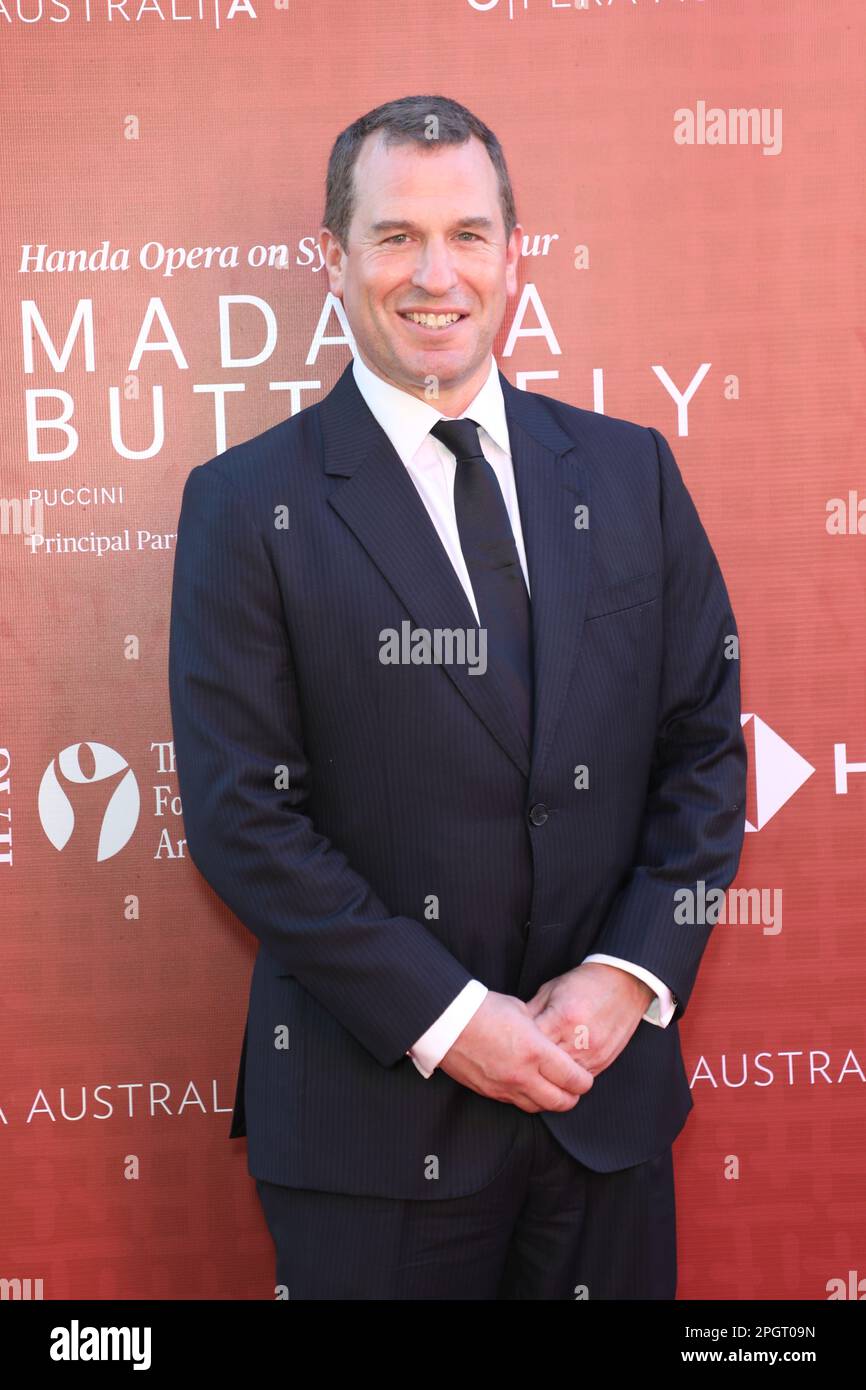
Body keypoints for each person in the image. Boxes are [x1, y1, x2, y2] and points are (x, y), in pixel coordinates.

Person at [168, 93, 747, 1300]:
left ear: (513, 256)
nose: (436, 275)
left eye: (467, 234)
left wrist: (624, 977)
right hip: (372, 1137)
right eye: (395, 237)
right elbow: (243, 818)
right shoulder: (246, 505)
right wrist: (451, 1017)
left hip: (603, 1114)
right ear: (333, 261)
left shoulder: (630, 470)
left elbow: (701, 751)